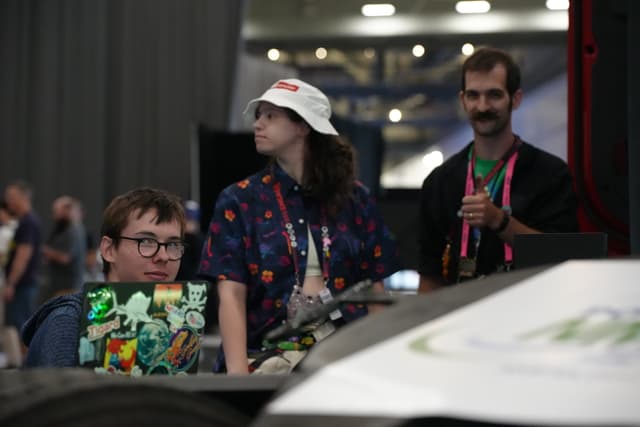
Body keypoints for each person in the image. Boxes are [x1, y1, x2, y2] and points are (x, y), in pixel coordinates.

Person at [198, 78, 401, 375]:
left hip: (344, 359)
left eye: (271, 116)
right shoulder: (239, 200)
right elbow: (230, 293)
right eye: (259, 115)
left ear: (303, 126)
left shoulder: (355, 199)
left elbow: (374, 290)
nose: (258, 124)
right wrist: (239, 376)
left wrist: (382, 367)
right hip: (265, 358)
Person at [417, 47, 578, 292]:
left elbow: (560, 256)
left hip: (532, 308)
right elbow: (430, 274)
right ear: (463, 100)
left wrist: (498, 220)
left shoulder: (551, 174)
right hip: (461, 315)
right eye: (473, 96)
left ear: (515, 99)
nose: (482, 106)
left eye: (494, 95)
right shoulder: (440, 182)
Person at [21, 187, 187, 367]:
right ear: (108, 250)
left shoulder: (173, 322)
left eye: (173, 244)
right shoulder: (68, 321)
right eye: (145, 241)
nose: (163, 256)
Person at [2, 181, 43, 332]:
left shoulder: (28, 223)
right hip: (23, 285)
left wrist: (11, 283)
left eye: (11, 197)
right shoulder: (23, 222)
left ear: (24, 198)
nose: (8, 201)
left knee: (24, 329)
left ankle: (27, 357)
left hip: (23, 285)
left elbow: (23, 256)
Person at [41, 196, 87, 300]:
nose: (54, 215)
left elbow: (66, 258)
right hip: (61, 287)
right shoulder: (65, 230)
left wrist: (47, 251)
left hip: (68, 288)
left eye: (57, 211)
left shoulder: (73, 231)